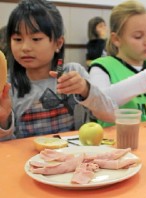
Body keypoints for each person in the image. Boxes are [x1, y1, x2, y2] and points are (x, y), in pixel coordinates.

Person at [0, 0, 116, 141]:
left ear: (58, 43)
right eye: (18, 39)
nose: (25, 47)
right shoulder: (8, 86)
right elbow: (7, 149)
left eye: (36, 39)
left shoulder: (74, 72)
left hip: (76, 157)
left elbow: (111, 115)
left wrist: (86, 89)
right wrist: (4, 120)